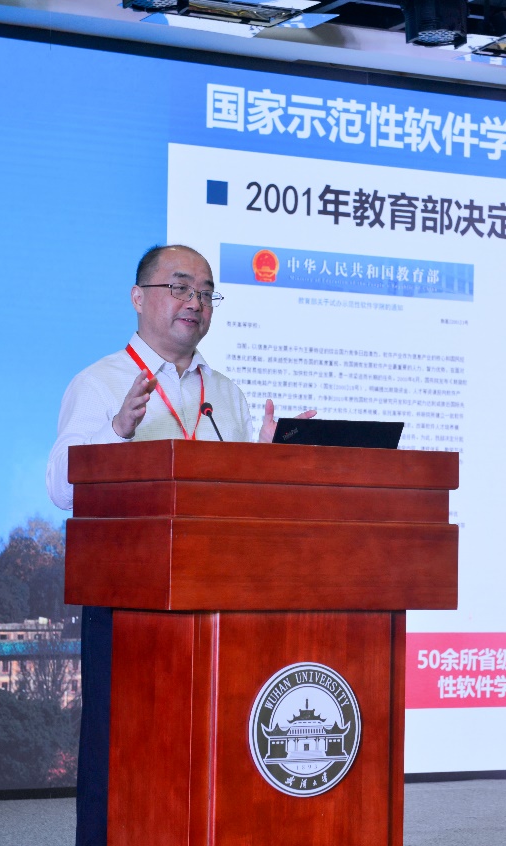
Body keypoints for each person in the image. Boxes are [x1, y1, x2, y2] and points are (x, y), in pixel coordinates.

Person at [46, 245, 313, 846]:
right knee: (126, 752)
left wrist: (268, 465)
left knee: (212, 750)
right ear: (138, 298)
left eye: (206, 292)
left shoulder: (226, 393)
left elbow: (237, 504)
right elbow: (61, 488)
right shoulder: (99, 382)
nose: (195, 301)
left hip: (218, 603)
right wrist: (116, 432)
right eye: (180, 287)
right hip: (129, 605)